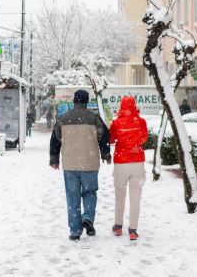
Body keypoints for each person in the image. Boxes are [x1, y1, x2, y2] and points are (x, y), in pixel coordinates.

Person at [49, 89, 110, 241]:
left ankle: (75, 231)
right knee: (90, 192)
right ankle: (88, 217)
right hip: (89, 164)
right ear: (86, 101)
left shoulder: (64, 118)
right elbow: (105, 136)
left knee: (72, 197)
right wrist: (105, 153)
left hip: (70, 164)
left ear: (74, 101)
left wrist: (54, 160)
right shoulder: (94, 118)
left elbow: (55, 140)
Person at [109, 96, 148, 241]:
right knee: (135, 197)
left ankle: (118, 226)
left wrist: (122, 141)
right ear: (134, 106)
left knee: (120, 196)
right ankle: (133, 230)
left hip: (121, 162)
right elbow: (144, 137)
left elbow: (111, 139)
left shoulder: (116, 122)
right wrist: (135, 146)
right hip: (137, 163)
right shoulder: (141, 121)